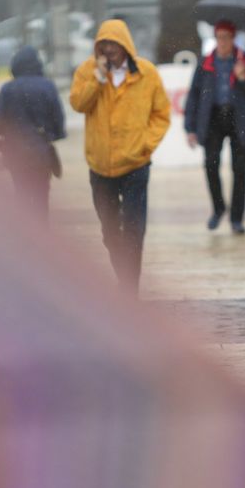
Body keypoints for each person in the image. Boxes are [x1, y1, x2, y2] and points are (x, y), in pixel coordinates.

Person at [69, 19, 171, 289]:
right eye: (104, 44)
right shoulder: (87, 72)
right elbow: (78, 104)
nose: (109, 49)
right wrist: (97, 79)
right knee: (110, 232)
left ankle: (130, 289)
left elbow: (161, 114)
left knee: (134, 229)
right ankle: (123, 274)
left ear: (125, 45)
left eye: (114, 44)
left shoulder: (146, 73)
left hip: (135, 164)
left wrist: (145, 144)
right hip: (100, 166)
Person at [183, 20, 245, 234]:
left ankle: (237, 218)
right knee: (210, 165)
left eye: (227, 37)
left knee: (240, 170)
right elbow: (194, 95)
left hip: (239, 119)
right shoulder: (205, 63)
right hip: (213, 120)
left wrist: (244, 78)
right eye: (219, 37)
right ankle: (218, 208)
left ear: (233, 39)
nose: (223, 41)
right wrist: (189, 128)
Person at [0, 45, 66, 219]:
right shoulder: (47, 86)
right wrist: (54, 134)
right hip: (41, 152)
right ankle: (41, 235)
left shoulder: (7, 89)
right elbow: (58, 117)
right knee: (41, 196)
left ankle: (25, 235)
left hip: (16, 153)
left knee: (21, 193)